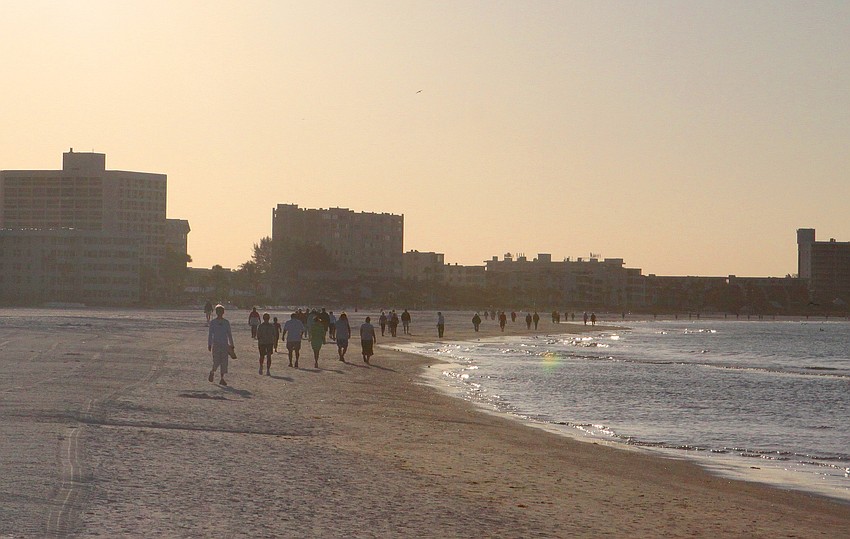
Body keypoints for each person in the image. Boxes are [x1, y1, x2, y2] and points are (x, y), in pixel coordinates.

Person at [207, 304, 234, 386]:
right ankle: (212, 372)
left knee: (224, 362)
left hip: (225, 345)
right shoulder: (213, 322)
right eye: (218, 311)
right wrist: (209, 344)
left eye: (221, 312)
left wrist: (232, 344)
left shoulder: (226, 322)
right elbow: (210, 334)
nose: (220, 313)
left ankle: (222, 378)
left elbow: (229, 334)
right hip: (216, 344)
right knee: (216, 361)